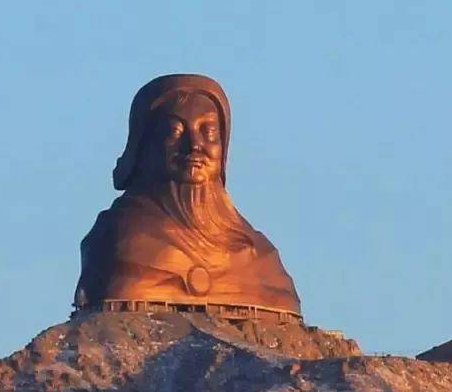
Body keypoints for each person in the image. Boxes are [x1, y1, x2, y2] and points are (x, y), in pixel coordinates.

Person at [74, 74, 301, 315]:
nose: (194, 145)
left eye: (209, 132)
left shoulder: (260, 257)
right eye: (174, 131)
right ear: (144, 146)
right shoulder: (118, 238)